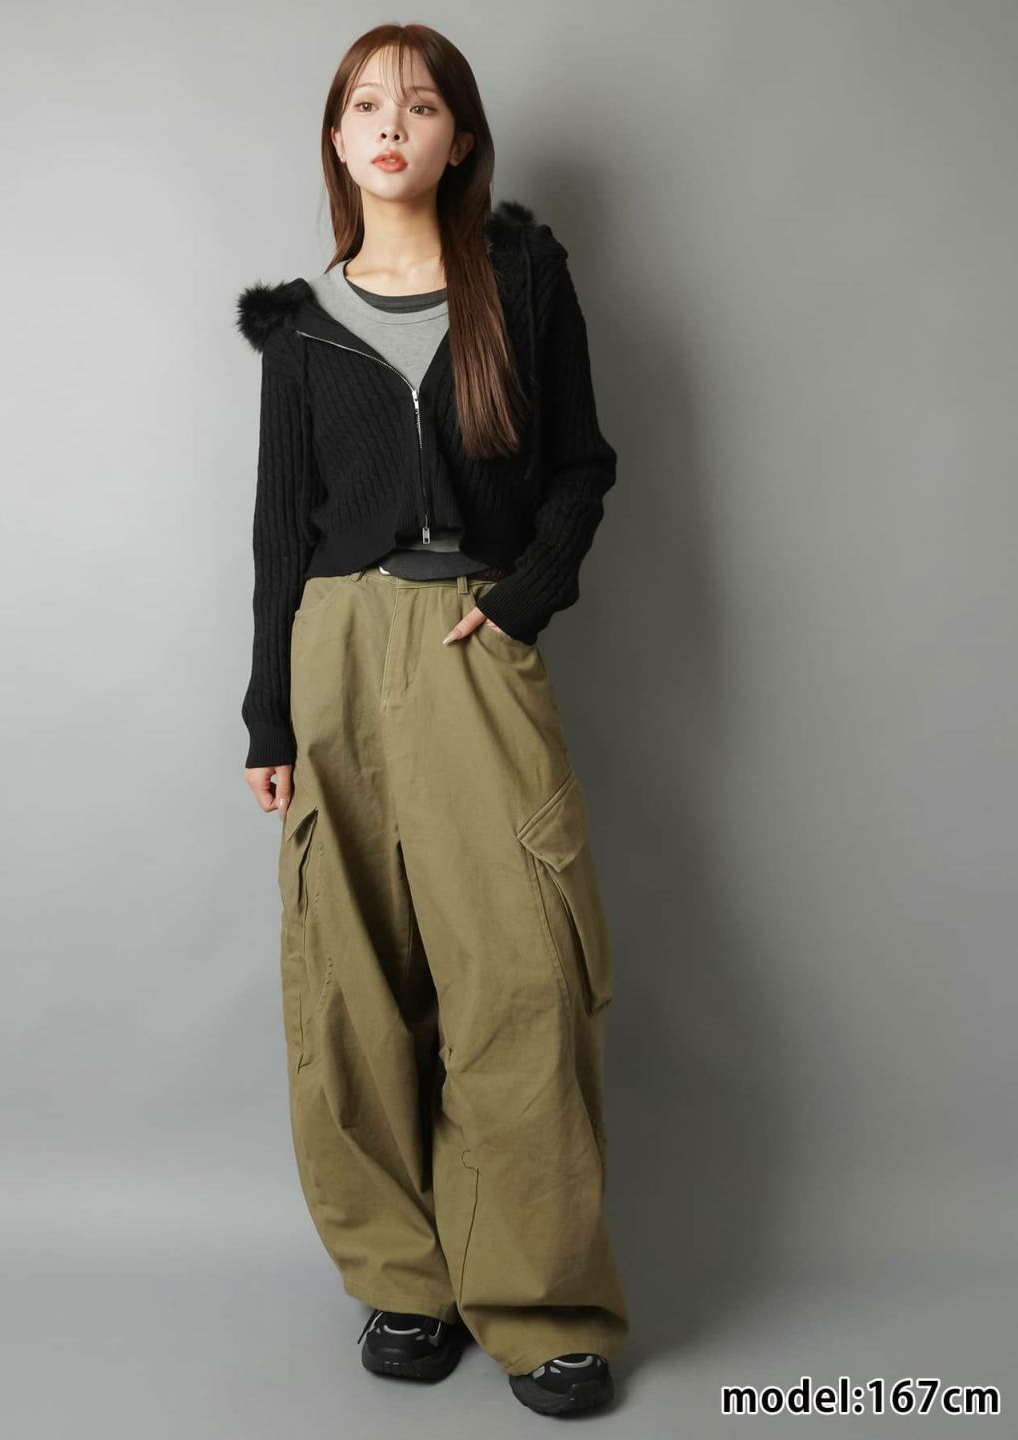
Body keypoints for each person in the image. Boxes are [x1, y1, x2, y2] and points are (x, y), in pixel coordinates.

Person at [235, 23, 629, 1418]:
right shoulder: (298, 328)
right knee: (349, 985)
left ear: (459, 137)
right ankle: (404, 1282)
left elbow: (582, 468)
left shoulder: (523, 281)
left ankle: (542, 1301)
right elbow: (278, 537)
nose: (390, 123)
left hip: (473, 640)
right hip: (332, 650)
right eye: (364, 104)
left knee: (518, 973)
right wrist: (267, 719)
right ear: (338, 142)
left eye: (419, 103)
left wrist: (520, 604)